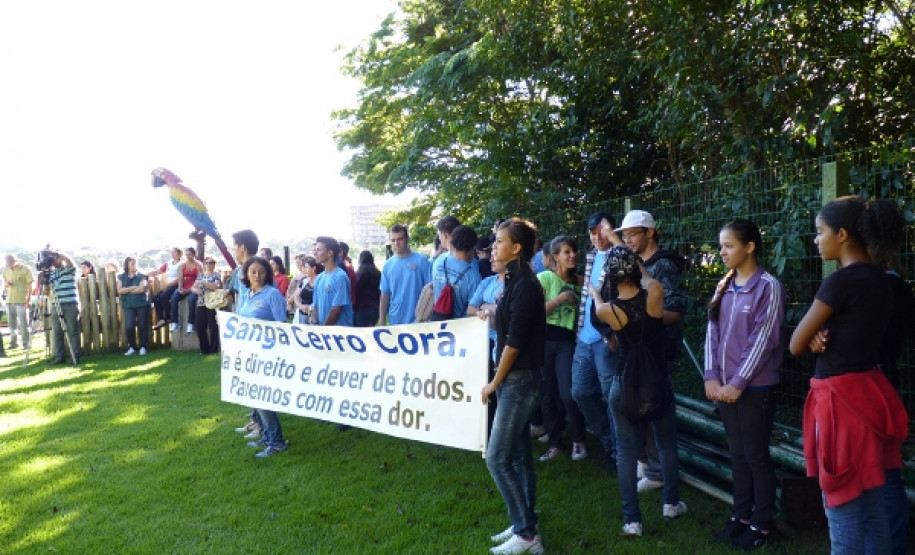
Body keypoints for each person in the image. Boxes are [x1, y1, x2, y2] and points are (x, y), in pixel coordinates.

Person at [789, 196, 908, 554]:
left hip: (840, 405)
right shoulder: (883, 280)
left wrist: (813, 334)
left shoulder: (839, 283)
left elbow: (795, 343)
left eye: (820, 232)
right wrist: (822, 334)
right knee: (873, 509)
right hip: (870, 394)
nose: (816, 240)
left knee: (840, 506)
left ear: (842, 235)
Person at [591, 245, 687, 537]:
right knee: (666, 443)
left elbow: (598, 308)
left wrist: (595, 292)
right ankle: (671, 504)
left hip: (625, 384)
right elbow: (648, 280)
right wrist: (639, 267)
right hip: (657, 381)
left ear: (610, 276)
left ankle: (633, 521)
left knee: (626, 452)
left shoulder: (607, 310)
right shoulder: (655, 292)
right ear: (635, 269)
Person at [703, 220, 785, 550]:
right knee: (737, 454)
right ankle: (741, 517)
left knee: (755, 455)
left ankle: (762, 525)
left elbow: (764, 340)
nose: (722, 252)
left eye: (729, 246)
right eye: (721, 246)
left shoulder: (768, 287)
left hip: (755, 389)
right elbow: (712, 332)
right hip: (724, 387)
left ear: (749, 247)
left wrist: (738, 382)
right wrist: (711, 375)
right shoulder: (724, 285)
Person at [482, 218, 546, 555]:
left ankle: (527, 534)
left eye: (499, 241)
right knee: (519, 457)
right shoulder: (514, 282)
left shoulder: (525, 286)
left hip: (519, 381)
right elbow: (512, 326)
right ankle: (525, 522)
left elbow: (515, 343)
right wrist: (491, 315)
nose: (494, 247)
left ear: (517, 248)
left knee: (496, 459)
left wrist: (493, 382)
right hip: (515, 380)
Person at [615, 210, 687, 493]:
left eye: (633, 234)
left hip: (657, 353)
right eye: (625, 236)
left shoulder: (664, 265)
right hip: (635, 352)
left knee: (655, 412)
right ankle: (647, 463)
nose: (628, 240)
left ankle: (658, 473)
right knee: (638, 406)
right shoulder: (633, 263)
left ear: (650, 232)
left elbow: (675, 311)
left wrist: (637, 322)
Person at [570, 212, 620, 467]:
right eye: (593, 233)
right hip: (584, 336)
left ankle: (617, 452)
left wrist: (612, 331)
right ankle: (608, 441)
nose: (597, 237)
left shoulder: (620, 256)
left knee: (612, 397)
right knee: (580, 392)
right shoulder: (591, 255)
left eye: (602, 231)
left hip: (605, 338)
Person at [537, 236, 586, 462]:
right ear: (555, 256)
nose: (572, 255)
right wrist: (560, 299)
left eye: (574, 251)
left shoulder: (581, 281)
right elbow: (535, 312)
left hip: (568, 342)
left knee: (568, 394)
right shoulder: (545, 278)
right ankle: (555, 443)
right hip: (545, 340)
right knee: (548, 394)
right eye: (566, 252)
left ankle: (579, 441)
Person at [237, 256, 289, 458]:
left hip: (265, 355)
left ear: (268, 274)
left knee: (263, 398)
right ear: (246, 274)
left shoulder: (272, 295)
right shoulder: (248, 294)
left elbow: (281, 327)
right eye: (253, 272)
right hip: (249, 354)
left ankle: (277, 442)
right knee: (255, 396)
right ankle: (267, 437)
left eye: (261, 272)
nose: (257, 275)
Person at [378, 224, 431, 325]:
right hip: (395, 321)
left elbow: (431, 290)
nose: (396, 244)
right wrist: (382, 322)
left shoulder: (421, 261)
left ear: (407, 239)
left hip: (418, 320)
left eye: (400, 239)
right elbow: (385, 295)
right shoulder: (388, 265)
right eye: (393, 240)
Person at [431, 225, 481, 320]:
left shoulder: (439, 260)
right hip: (460, 326)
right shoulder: (473, 276)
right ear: (473, 247)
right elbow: (473, 309)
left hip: (437, 320)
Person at [312, 236, 354, 326]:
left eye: (318, 250)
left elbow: (337, 309)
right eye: (315, 250)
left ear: (330, 253)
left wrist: (324, 328)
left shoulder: (340, 277)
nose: (315, 253)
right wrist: (314, 323)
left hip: (339, 331)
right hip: (322, 332)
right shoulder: (319, 278)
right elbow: (315, 305)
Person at [48, 252, 81, 364]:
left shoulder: (69, 269)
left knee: (73, 331)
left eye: (56, 259)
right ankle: (60, 357)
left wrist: (61, 256)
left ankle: (75, 357)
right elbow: (47, 291)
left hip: (70, 303)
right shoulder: (51, 273)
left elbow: (70, 262)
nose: (54, 261)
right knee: (57, 332)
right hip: (56, 304)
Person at [117, 257, 150, 356]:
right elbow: (119, 290)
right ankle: (132, 347)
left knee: (142, 325)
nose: (134, 265)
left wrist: (126, 290)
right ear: (127, 265)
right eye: (132, 264)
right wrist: (132, 287)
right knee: (129, 326)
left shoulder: (142, 276)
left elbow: (142, 289)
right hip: (128, 305)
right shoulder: (121, 277)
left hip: (141, 304)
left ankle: (143, 347)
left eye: (135, 263)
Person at [192, 256, 223, 355]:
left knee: (213, 326)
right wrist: (196, 290)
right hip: (201, 302)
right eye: (207, 263)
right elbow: (193, 287)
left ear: (214, 265)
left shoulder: (216, 275)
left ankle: (213, 349)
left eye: (211, 263)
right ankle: (204, 349)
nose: (209, 265)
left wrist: (204, 283)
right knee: (200, 327)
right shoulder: (200, 275)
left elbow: (216, 287)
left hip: (213, 303)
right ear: (204, 264)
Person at [4, 254, 34, 351]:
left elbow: (30, 286)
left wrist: (28, 300)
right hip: (9, 301)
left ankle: (26, 344)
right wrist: (6, 284)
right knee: (12, 325)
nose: (9, 265)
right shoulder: (5, 270)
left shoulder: (25, 269)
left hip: (22, 301)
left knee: (24, 324)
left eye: (10, 262)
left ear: (15, 260)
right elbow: (5, 284)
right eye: (7, 263)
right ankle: (13, 343)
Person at [169, 247, 203, 333]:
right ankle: (175, 322)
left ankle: (191, 323)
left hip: (195, 286)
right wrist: (180, 288)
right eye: (187, 255)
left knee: (191, 299)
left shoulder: (198, 265)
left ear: (194, 255)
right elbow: (181, 278)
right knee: (174, 298)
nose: (188, 256)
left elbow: (199, 279)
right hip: (185, 285)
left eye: (190, 255)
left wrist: (189, 290)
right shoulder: (182, 265)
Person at [147, 247, 182, 329]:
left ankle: (168, 316)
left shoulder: (182, 264)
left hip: (177, 284)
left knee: (163, 297)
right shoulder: (168, 263)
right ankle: (161, 319)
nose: (172, 254)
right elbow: (157, 271)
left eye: (174, 253)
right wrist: (146, 274)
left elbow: (181, 278)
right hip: (168, 285)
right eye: (172, 252)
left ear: (180, 254)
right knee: (156, 298)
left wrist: (169, 285)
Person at [353, 250, 381, 327]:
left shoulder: (360, 272)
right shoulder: (378, 273)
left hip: (362, 308)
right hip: (375, 308)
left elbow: (356, 288)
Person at [292, 256, 322, 324]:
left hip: (314, 314)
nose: (304, 269)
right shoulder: (305, 281)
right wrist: (301, 306)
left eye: (307, 267)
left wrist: (310, 308)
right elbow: (296, 296)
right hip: (302, 313)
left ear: (313, 268)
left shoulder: (320, 282)